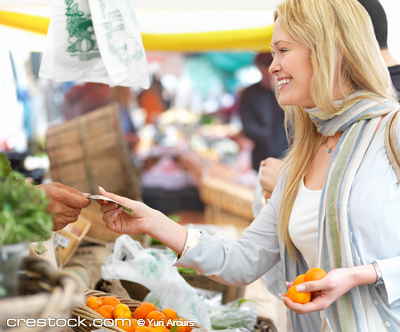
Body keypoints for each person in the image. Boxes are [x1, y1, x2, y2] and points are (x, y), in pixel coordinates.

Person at [97, 0, 400, 331]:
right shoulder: (301, 160)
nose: (272, 67)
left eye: (283, 50)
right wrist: (152, 221)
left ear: (329, 50)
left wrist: (363, 274)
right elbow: (239, 261)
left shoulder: (391, 131)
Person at [257, 0, 400, 203]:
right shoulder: (321, 119)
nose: (273, 67)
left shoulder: (387, 121)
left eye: (284, 50)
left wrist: (290, 185)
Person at [238, 53, 287, 171]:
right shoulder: (250, 93)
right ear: (259, 68)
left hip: (289, 156)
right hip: (262, 157)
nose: (270, 76)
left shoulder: (286, 90)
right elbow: (247, 125)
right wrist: (270, 138)